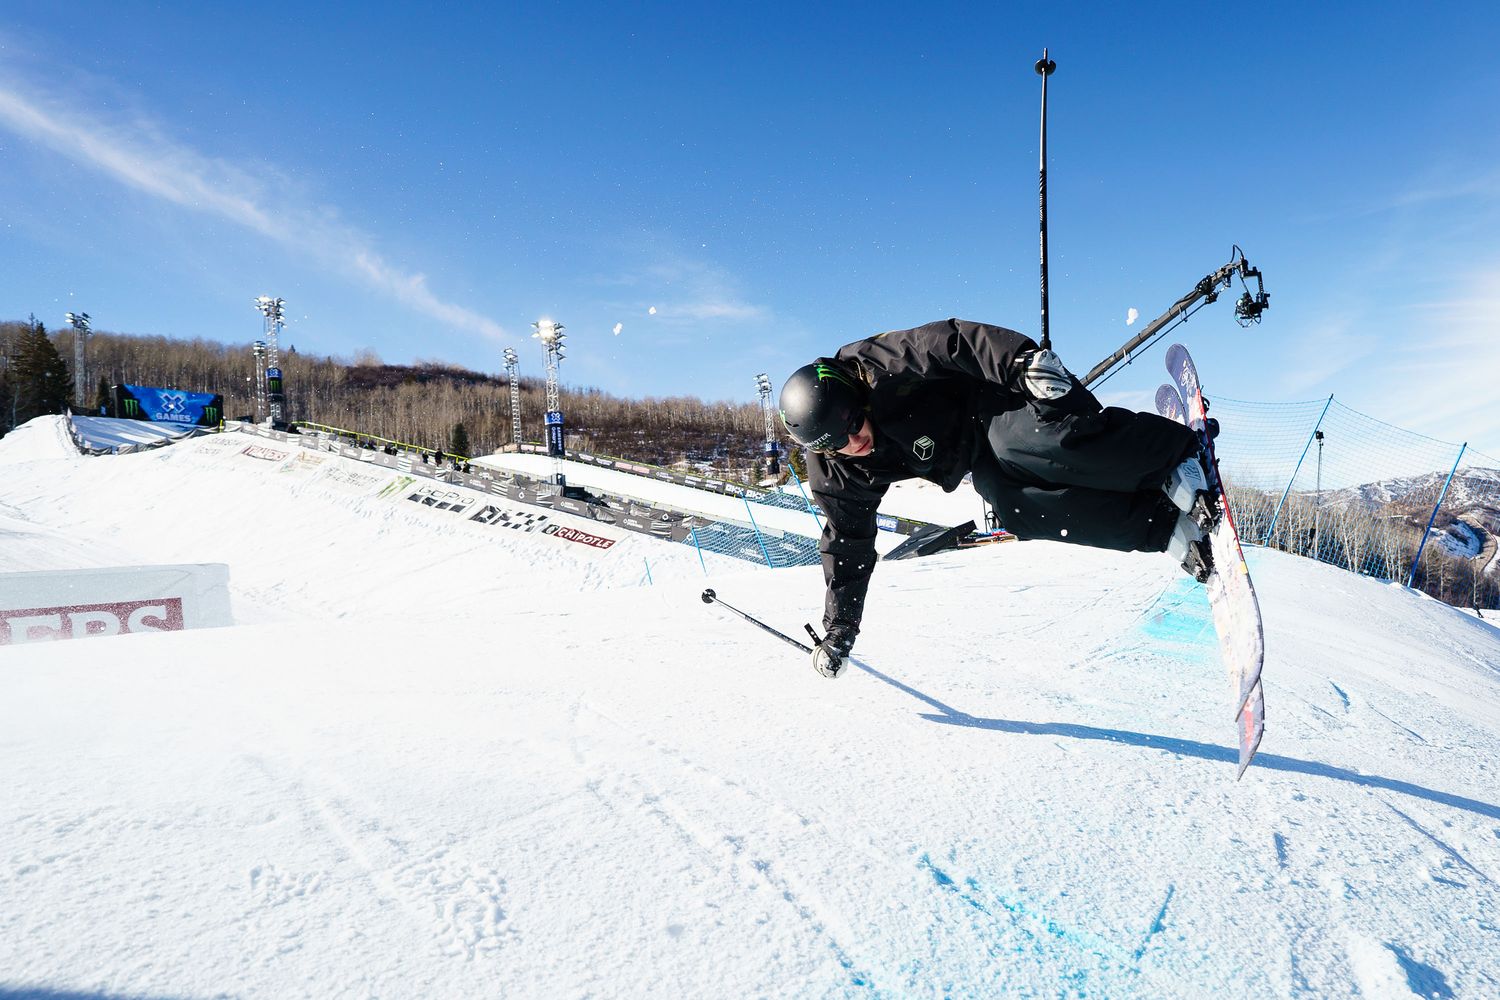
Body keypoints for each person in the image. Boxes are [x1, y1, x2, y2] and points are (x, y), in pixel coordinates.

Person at [778, 318, 1215, 679]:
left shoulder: (880, 366)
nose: (855, 440)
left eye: (855, 421)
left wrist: (1021, 362)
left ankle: (1170, 457)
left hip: (996, 398)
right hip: (971, 455)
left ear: (856, 394)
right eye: (837, 441)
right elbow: (847, 544)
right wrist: (840, 629)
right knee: (1017, 510)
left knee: (1035, 446)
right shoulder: (837, 473)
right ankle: (1160, 525)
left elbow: (951, 341)